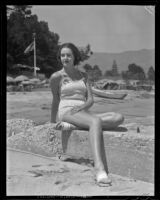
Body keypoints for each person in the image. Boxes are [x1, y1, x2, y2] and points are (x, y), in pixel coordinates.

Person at [50, 42, 124, 186]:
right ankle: (99, 169)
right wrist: (52, 122)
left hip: (82, 111)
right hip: (67, 110)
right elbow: (55, 99)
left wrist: (83, 106)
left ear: (74, 57)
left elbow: (90, 99)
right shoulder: (56, 77)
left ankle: (74, 126)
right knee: (95, 122)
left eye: (68, 55)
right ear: (60, 57)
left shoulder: (84, 75)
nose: (65, 58)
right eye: (62, 55)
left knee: (118, 117)